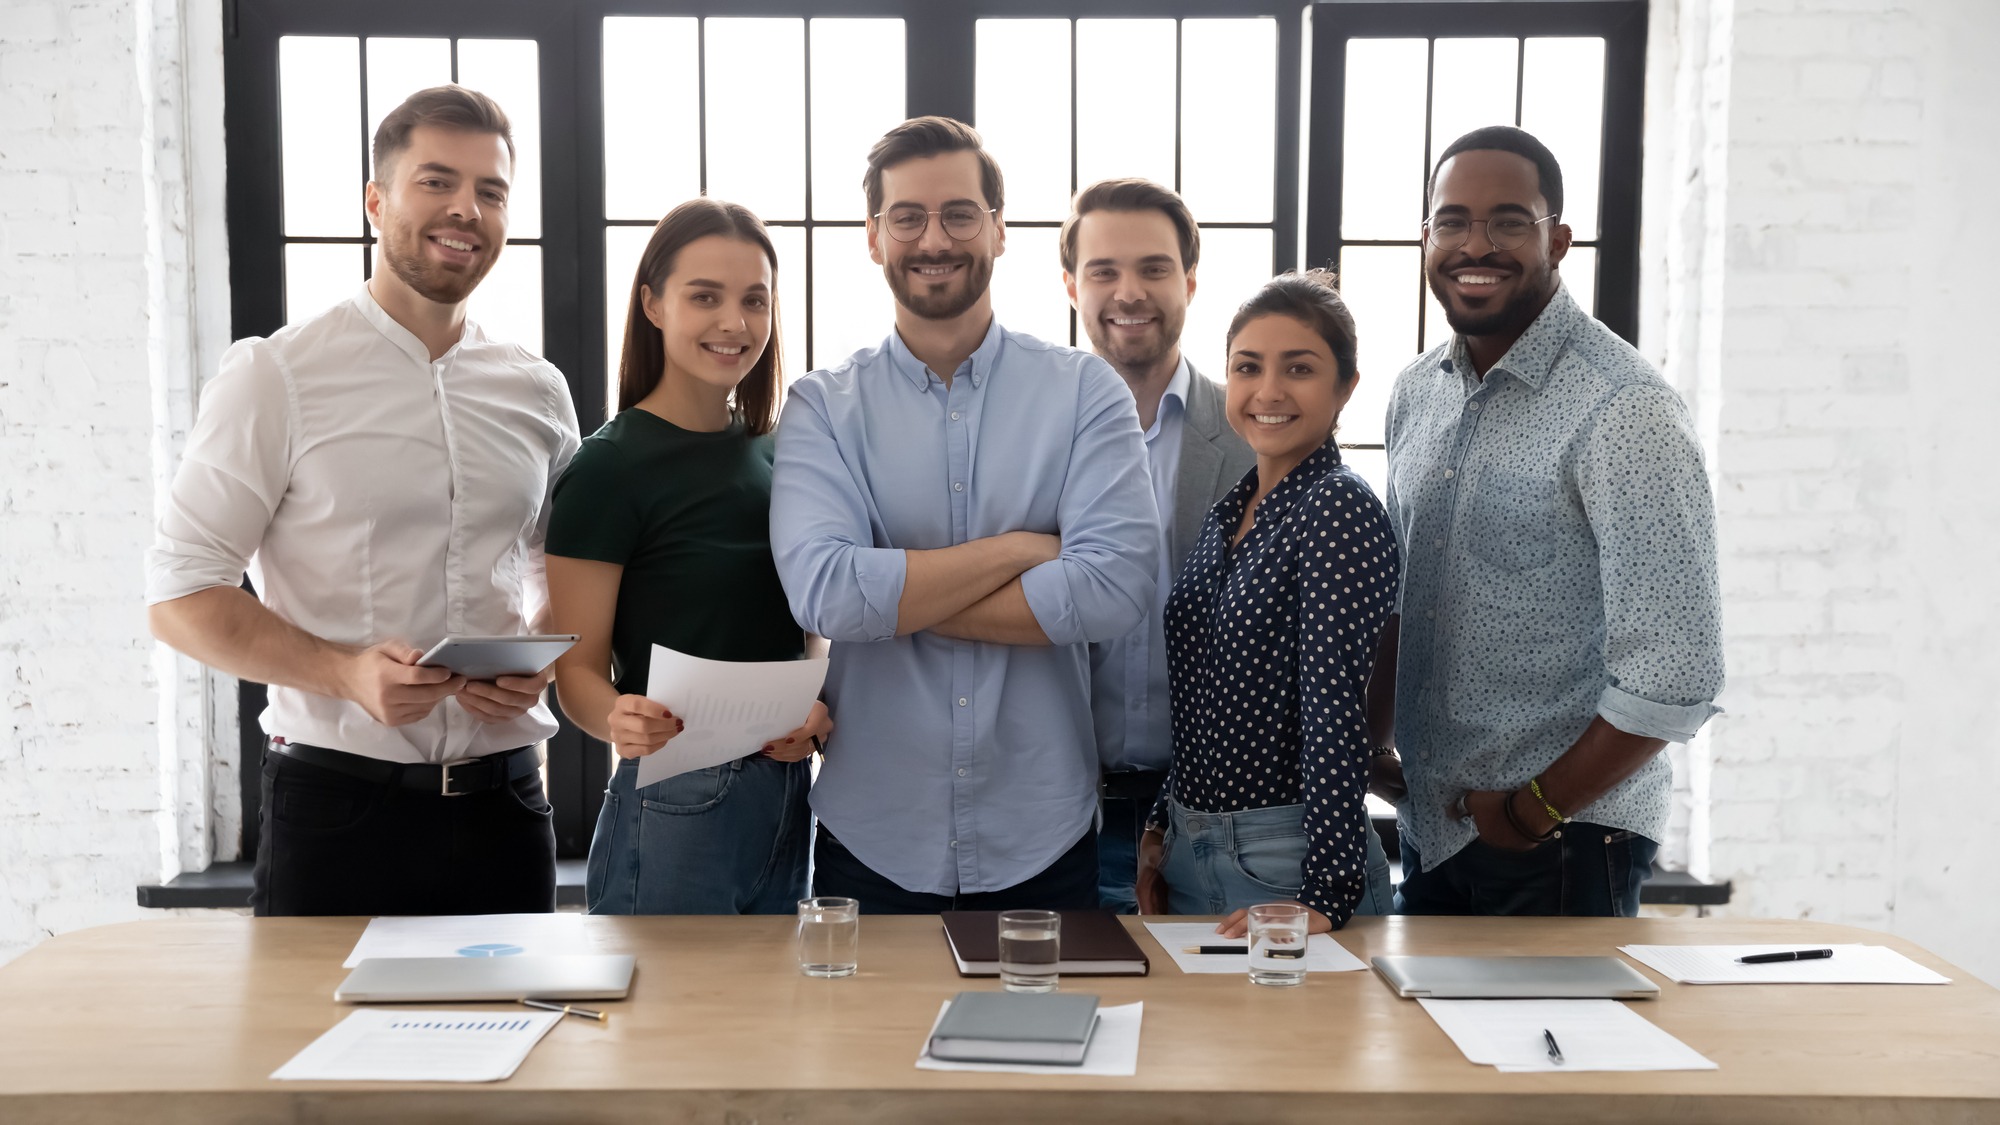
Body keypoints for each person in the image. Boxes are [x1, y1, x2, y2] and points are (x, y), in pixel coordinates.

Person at [144, 86, 580, 916]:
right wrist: (342, 672)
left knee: (521, 1045)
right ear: (377, 202)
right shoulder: (275, 375)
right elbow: (180, 595)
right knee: (318, 1046)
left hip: (508, 807)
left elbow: (556, 564)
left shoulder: (538, 389)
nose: (467, 209)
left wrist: (535, 652)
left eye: (491, 191)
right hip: (335, 811)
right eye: (437, 182)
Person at [769, 116, 1161, 914]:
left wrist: (899, 598)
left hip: (1043, 831)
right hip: (872, 835)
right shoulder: (822, 405)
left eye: (959, 214)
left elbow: (1113, 591)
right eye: (906, 216)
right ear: (874, 238)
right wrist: (1024, 548)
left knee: (1048, 1041)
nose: (933, 238)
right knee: (867, 1046)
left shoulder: (1087, 394)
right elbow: (827, 596)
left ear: (1000, 230)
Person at [1375, 125, 1724, 917]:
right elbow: (1404, 592)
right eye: (1454, 220)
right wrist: (1374, 741)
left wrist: (1529, 810)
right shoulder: (1416, 392)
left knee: (1550, 1049)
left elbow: (1676, 673)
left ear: (1557, 239)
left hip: (1559, 842)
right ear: (1426, 237)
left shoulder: (1624, 409)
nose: (1477, 244)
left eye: (1508, 221)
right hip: (1437, 828)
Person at [544, 199, 832, 916]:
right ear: (653, 304)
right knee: (667, 1026)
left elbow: (810, 621)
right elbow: (575, 672)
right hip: (677, 794)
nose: (734, 322)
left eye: (754, 300)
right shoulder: (609, 467)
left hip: (787, 792)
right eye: (705, 296)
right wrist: (619, 717)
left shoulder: (780, 453)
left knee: (766, 1024)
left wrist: (819, 708)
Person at [1134, 272, 1400, 936]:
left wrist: (1328, 889)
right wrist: (1162, 824)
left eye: (1300, 369)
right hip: (1190, 853)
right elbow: (1201, 692)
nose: (1269, 390)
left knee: (1301, 1044)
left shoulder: (1336, 504)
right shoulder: (1231, 512)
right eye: (1247, 367)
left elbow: (1336, 707)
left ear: (1346, 388)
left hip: (1289, 860)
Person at [1057, 178, 1256, 912]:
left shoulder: (1253, 436)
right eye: (1104, 270)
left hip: (1214, 813)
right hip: (1061, 808)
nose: (1129, 291)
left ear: (1191, 281)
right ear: (1072, 284)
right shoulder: (1030, 436)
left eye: (1154, 268)